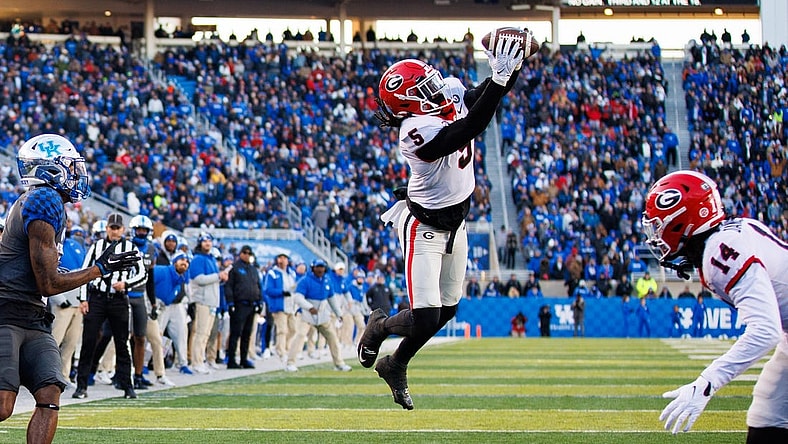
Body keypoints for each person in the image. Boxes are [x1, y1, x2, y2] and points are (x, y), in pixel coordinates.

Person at [360, 31, 529, 410]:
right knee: (426, 316)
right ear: (409, 102)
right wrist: (501, 76)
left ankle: (396, 364)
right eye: (424, 86)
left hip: (457, 224)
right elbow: (468, 128)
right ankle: (380, 327)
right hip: (423, 227)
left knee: (448, 310)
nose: (436, 86)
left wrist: (513, 64)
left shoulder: (444, 95)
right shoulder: (413, 132)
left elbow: (487, 95)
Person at [0, 134, 137, 443]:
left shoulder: (43, 202)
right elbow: (48, 284)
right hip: (7, 310)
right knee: (3, 405)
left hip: (32, 314)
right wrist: (100, 268)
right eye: (70, 167)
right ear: (51, 170)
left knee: (50, 391)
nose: (76, 174)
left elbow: (41, 275)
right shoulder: (44, 199)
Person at [643, 170, 788, 440]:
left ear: (682, 221)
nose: (656, 235)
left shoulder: (718, 253)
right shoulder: (731, 234)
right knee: (768, 416)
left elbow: (766, 330)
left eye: (658, 225)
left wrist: (707, 383)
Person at [73, 212, 146, 400]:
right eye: (111, 228)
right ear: (107, 229)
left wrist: (126, 284)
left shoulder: (130, 247)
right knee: (89, 341)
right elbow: (84, 272)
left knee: (122, 343)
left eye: (117, 228)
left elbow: (142, 273)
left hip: (119, 298)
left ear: (123, 229)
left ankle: (127, 386)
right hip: (97, 298)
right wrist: (83, 299)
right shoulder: (97, 246)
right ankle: (81, 385)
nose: (114, 231)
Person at [285, 259, 352, 372]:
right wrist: (309, 307)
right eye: (318, 267)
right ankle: (290, 363)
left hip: (322, 313)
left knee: (333, 338)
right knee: (300, 336)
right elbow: (298, 297)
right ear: (313, 268)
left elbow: (332, 299)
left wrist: (338, 313)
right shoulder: (305, 281)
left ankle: (339, 363)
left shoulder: (327, 280)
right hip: (306, 313)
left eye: (322, 267)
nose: (320, 269)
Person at [49, 225, 87, 383]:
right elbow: (50, 274)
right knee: (54, 341)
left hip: (77, 302)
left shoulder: (78, 247)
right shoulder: (55, 245)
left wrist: (84, 299)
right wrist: (59, 299)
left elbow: (83, 273)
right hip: (63, 301)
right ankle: (48, 375)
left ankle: (64, 375)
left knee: (71, 342)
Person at [188, 232, 228, 373]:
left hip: (212, 301)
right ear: (200, 243)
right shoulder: (198, 259)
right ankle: (196, 362)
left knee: (206, 334)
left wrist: (220, 278)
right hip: (203, 300)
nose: (207, 243)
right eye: (204, 241)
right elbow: (198, 279)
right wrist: (218, 276)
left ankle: (201, 360)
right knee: (200, 333)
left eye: (209, 241)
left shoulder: (210, 259)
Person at [126, 215, 156, 390]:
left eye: (144, 230)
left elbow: (150, 278)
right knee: (123, 338)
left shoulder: (151, 249)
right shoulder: (126, 246)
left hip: (140, 297)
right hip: (125, 295)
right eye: (139, 230)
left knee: (140, 337)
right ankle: (120, 373)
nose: (142, 233)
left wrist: (152, 302)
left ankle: (138, 374)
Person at [224, 245, 263, 369]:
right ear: (240, 254)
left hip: (251, 305)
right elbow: (229, 286)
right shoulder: (235, 268)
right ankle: (231, 359)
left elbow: (258, 286)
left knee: (247, 333)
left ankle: (243, 358)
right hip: (239, 304)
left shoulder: (253, 270)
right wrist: (230, 303)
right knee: (236, 333)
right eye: (244, 252)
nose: (247, 255)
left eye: (249, 253)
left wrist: (259, 301)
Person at [264, 253, 297, 360]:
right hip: (279, 305)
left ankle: (286, 347)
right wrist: (282, 292)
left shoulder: (291, 273)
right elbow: (268, 290)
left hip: (290, 305)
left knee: (293, 329)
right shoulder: (273, 273)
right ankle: (281, 351)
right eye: (280, 258)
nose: (282, 260)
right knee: (282, 330)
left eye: (284, 258)